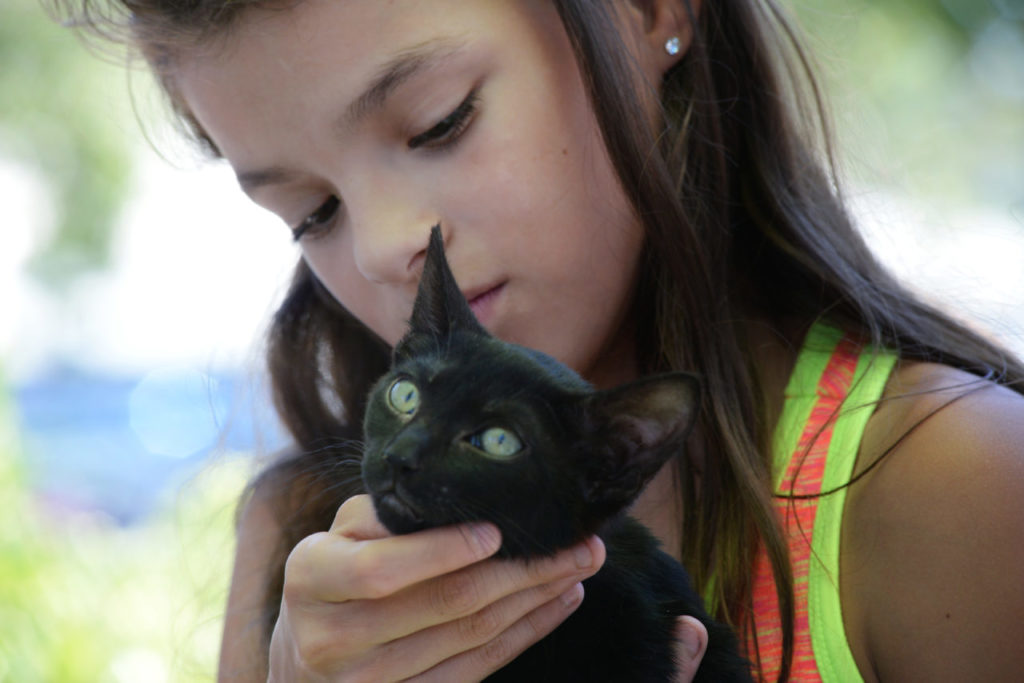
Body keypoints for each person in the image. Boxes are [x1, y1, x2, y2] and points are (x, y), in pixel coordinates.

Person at [58, 0, 1024, 681]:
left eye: (442, 121)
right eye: (311, 212)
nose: (394, 243)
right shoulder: (304, 531)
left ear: (647, 9)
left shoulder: (955, 488)